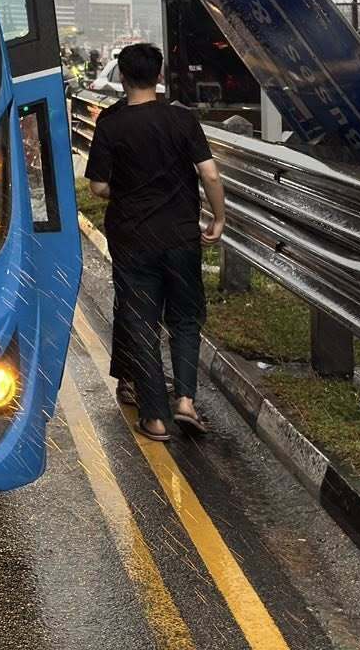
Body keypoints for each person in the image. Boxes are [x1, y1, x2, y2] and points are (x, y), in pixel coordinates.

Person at [85, 42, 227, 442]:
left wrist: (127, 192)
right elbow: (210, 175)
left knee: (141, 323)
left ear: (124, 78)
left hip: (132, 239)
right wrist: (218, 218)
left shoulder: (111, 124)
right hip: (181, 236)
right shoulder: (182, 120)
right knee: (184, 318)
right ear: (160, 76)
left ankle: (156, 418)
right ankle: (185, 400)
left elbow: (97, 186)